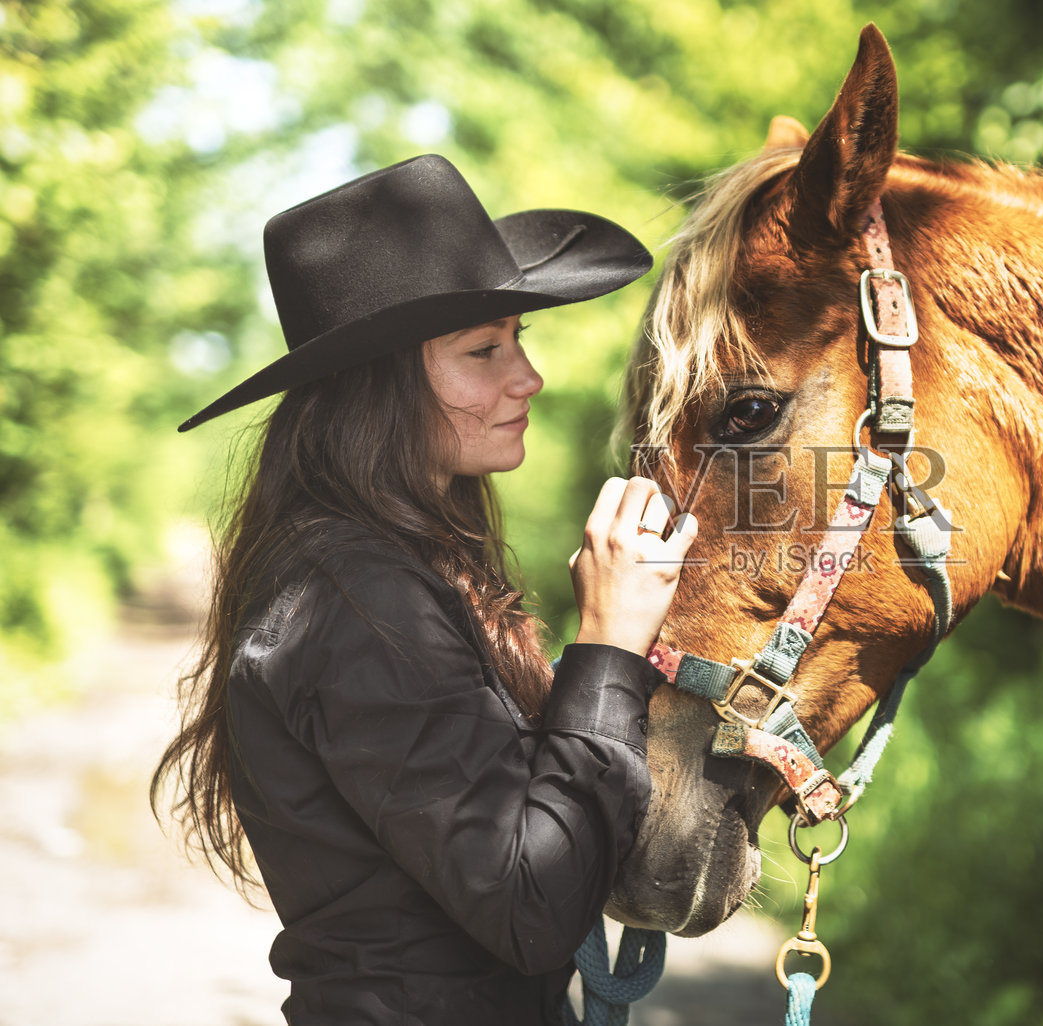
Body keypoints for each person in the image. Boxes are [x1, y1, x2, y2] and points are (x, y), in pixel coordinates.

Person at [151, 153, 695, 1025]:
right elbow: (533, 906)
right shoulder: (358, 606)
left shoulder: (389, 571)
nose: (528, 378)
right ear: (379, 388)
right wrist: (608, 644)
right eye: (484, 350)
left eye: (521, 340)